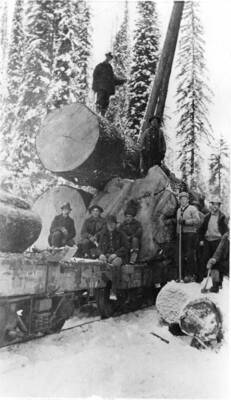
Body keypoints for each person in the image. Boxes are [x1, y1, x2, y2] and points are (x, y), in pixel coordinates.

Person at [198, 196, 228, 282]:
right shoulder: (207, 216)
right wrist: (201, 239)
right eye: (213, 204)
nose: (214, 206)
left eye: (216, 205)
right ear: (211, 205)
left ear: (219, 206)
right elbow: (202, 229)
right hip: (207, 240)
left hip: (218, 241)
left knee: (217, 262)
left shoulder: (222, 217)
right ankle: (200, 279)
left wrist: (224, 240)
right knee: (204, 259)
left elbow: (225, 231)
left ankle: (217, 282)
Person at [92, 52, 127, 116]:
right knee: (99, 103)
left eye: (110, 58)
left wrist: (124, 81)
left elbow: (114, 80)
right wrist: (95, 87)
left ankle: (102, 118)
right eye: (108, 57)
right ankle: (95, 115)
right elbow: (95, 76)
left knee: (105, 106)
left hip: (108, 91)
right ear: (106, 57)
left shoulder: (110, 68)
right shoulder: (99, 66)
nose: (109, 59)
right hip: (101, 89)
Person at [176, 192, 201, 282]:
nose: (183, 201)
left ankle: (190, 275)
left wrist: (186, 222)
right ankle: (181, 275)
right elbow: (178, 223)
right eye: (181, 199)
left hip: (190, 234)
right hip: (181, 234)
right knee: (180, 255)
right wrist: (177, 232)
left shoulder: (192, 209)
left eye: (184, 199)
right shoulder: (178, 210)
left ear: (187, 200)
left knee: (189, 255)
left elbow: (197, 220)